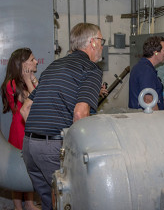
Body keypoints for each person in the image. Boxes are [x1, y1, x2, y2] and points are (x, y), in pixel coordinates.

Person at [20, 23, 104, 210]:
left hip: (29, 146)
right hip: (53, 148)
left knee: (50, 203)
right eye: (101, 40)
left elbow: (25, 109)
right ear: (92, 42)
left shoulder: (54, 65)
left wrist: (39, 139)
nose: (102, 46)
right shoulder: (91, 69)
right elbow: (80, 114)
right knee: (70, 201)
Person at [1, 48, 39, 210]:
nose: (36, 61)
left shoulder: (27, 81)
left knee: (29, 167)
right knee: (18, 168)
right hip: (20, 130)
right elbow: (33, 99)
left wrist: (31, 80)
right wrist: (30, 81)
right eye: (32, 59)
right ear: (23, 64)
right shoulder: (11, 84)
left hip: (30, 128)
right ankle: (18, 207)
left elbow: (41, 100)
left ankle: (29, 203)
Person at [129, 36, 164, 110]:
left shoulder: (144, 67)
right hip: (146, 119)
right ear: (156, 53)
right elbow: (148, 101)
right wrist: (157, 120)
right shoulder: (146, 70)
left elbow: (156, 96)